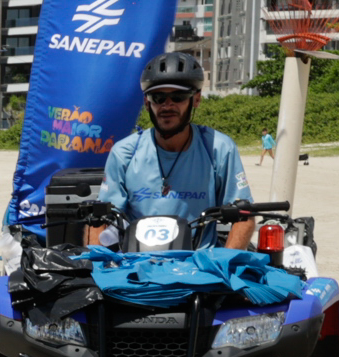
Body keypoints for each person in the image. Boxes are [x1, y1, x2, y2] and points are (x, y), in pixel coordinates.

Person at [91, 52, 255, 250]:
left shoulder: (218, 148)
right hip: (136, 267)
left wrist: (225, 264)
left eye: (178, 97)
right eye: (158, 97)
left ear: (196, 100)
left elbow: (244, 216)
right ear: (147, 103)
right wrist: (96, 265)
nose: (167, 105)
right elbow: (101, 218)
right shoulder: (124, 152)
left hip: (198, 266)